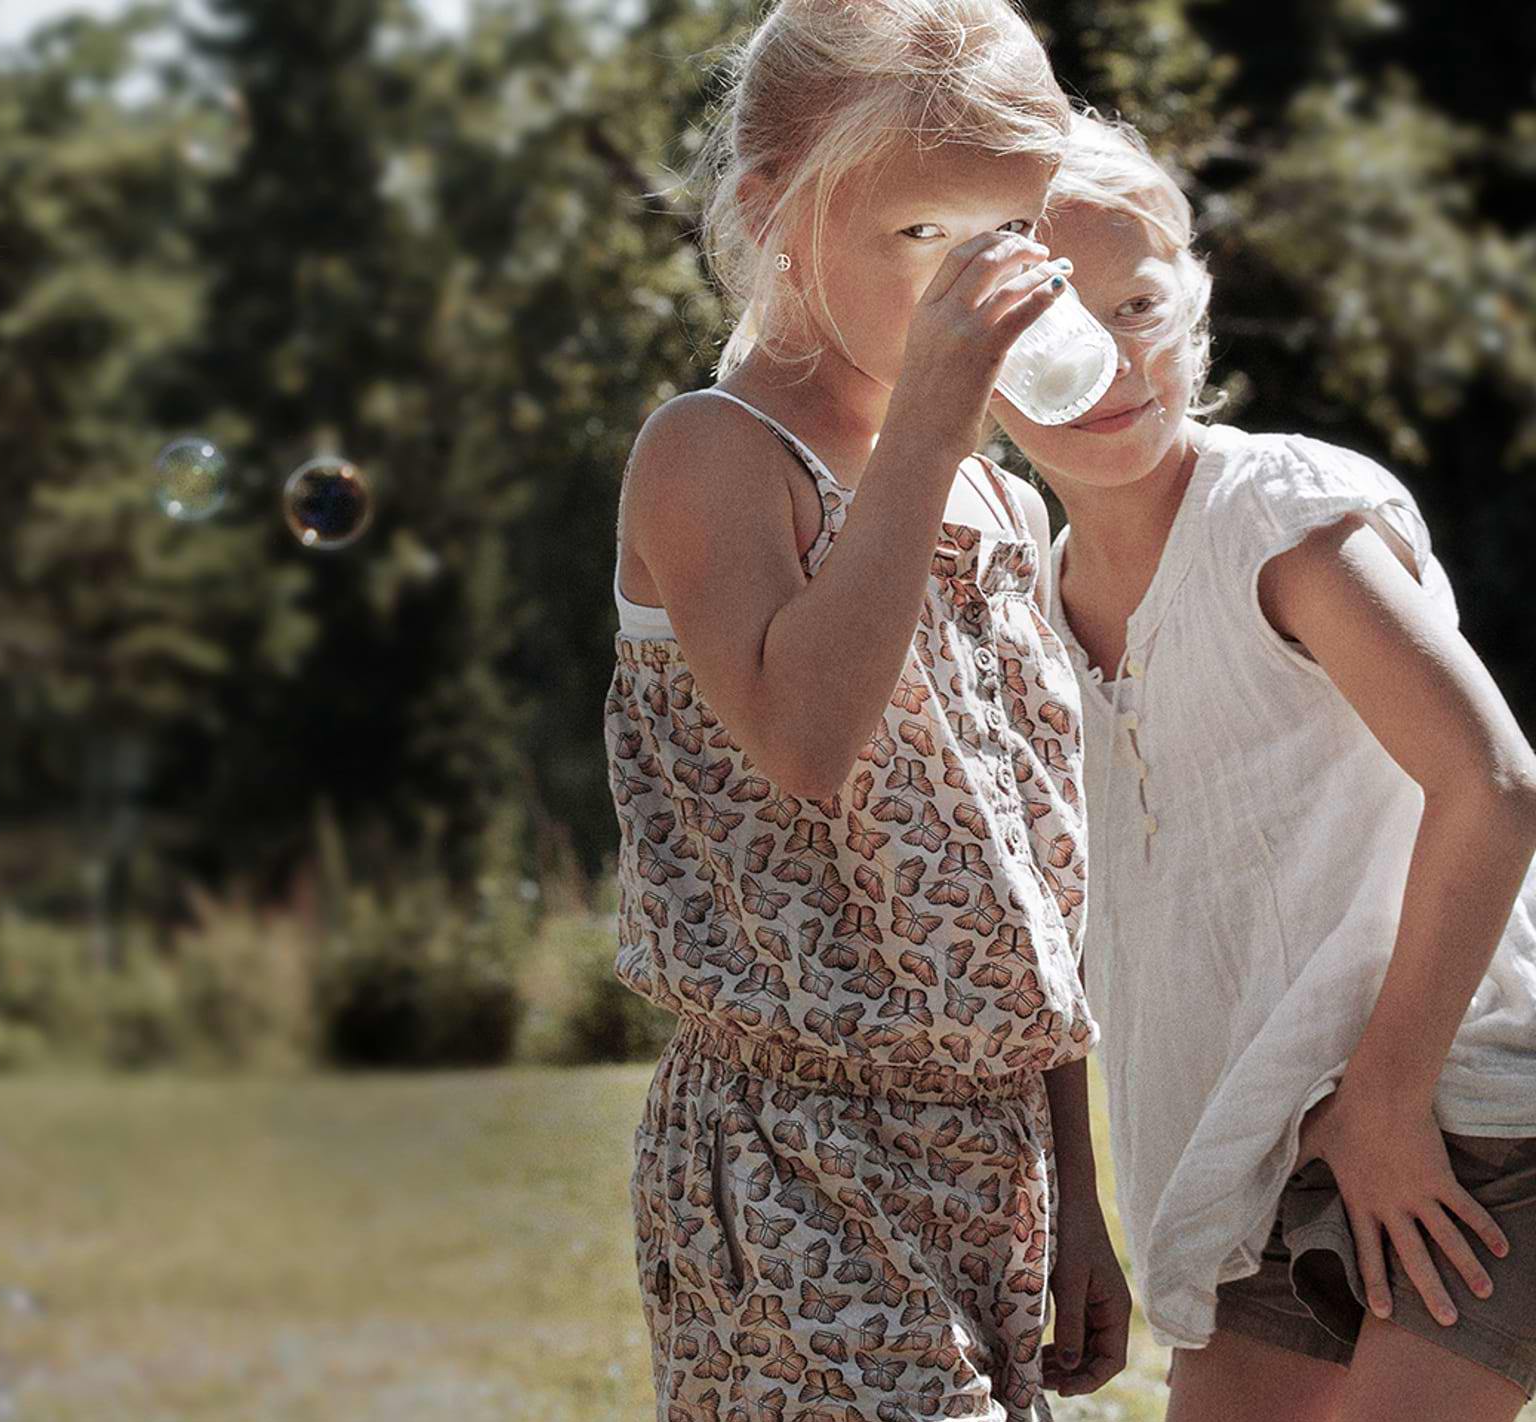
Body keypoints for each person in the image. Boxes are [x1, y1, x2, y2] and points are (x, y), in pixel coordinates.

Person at [606, 1, 1128, 1414]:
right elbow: (805, 734)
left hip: (1000, 1151)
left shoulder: (999, 502)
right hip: (797, 1156)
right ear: (776, 213)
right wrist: (931, 431)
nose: (977, 278)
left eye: (1008, 230)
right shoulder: (715, 454)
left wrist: (1076, 1187)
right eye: (920, 235)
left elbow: (1039, 872)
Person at [990, 107, 1536, 1420]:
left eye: (1141, 306)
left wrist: (1391, 1100)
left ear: (1200, 305)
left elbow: (1498, 785)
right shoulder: (1026, 612)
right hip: (1257, 1168)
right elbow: (1046, 942)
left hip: (1464, 1112)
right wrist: (1079, 1208)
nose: (1113, 358)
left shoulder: (1276, 519)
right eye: (1052, 328)